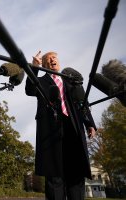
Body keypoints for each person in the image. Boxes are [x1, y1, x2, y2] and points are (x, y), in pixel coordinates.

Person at [25, 51, 97, 200]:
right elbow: (30, 90)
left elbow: (82, 103)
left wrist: (89, 123)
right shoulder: (42, 81)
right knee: (55, 176)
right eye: (48, 59)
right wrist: (34, 67)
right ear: (44, 64)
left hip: (73, 130)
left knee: (76, 174)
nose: (52, 60)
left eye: (54, 58)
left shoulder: (70, 81)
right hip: (51, 133)